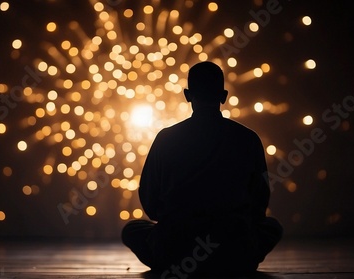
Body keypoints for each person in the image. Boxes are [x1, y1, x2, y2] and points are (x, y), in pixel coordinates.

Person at [121, 61, 283, 277]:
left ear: (187, 95)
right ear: (223, 96)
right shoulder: (248, 138)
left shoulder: (166, 138)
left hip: (176, 246)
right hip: (232, 247)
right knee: (272, 227)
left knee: (132, 230)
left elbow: (150, 199)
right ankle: (235, 261)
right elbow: (259, 201)